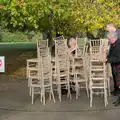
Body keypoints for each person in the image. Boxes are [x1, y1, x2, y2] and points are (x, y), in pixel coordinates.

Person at [106, 23, 120, 96]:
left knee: (117, 77)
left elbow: (118, 58)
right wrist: (107, 58)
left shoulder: (118, 44)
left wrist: (108, 60)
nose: (108, 40)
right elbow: (110, 54)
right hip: (114, 63)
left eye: (109, 39)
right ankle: (116, 89)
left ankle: (118, 90)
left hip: (118, 64)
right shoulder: (112, 44)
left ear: (113, 38)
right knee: (114, 76)